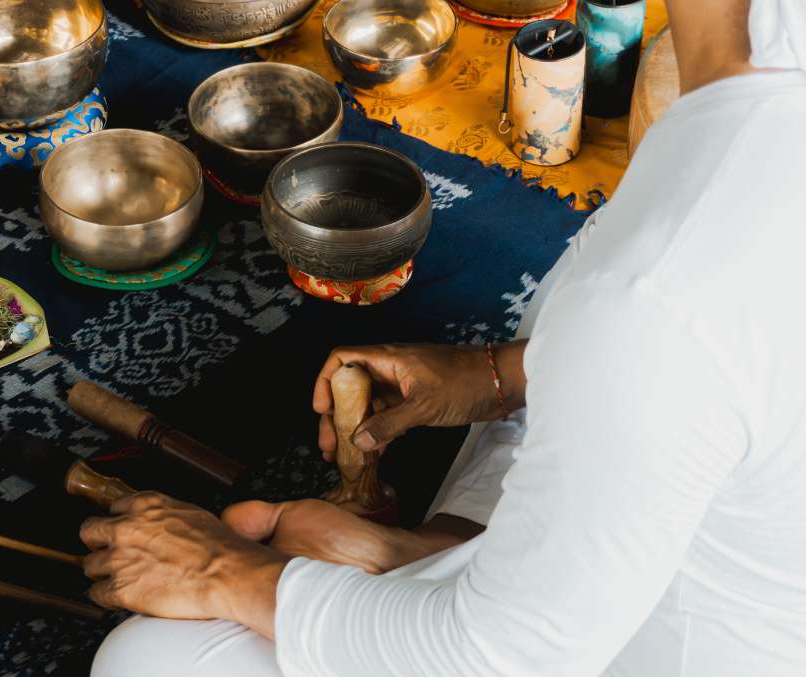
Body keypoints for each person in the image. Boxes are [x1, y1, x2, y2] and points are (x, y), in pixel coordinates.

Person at [84, 0, 806, 674]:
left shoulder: (660, 291)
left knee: (149, 657)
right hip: (703, 503)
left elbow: (504, 657)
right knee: (592, 326)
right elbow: (745, 364)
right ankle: (440, 550)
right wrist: (500, 375)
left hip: (668, 643)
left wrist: (225, 572)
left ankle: (446, 569)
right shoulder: (757, 119)